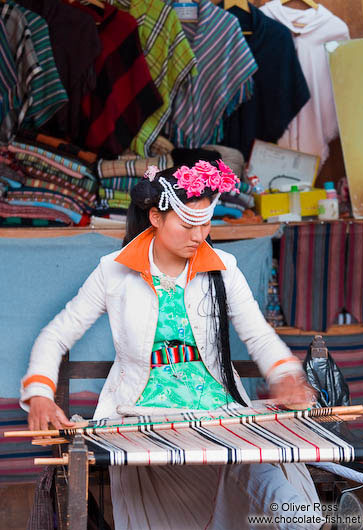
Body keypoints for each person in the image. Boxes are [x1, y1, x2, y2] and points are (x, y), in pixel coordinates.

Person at [21, 160, 327, 530]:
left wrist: (286, 375)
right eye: (187, 224)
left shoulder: (223, 268)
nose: (199, 236)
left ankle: (310, 520)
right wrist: (40, 393)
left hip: (218, 412)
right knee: (217, 484)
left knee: (263, 473)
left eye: (206, 223)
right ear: (155, 217)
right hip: (145, 420)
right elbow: (56, 334)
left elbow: (259, 334)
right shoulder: (113, 271)